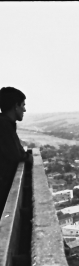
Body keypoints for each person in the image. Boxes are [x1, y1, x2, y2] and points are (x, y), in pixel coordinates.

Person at [0, 86, 33, 214]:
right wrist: (29, 158)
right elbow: (17, 154)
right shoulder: (4, 125)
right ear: (16, 106)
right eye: (23, 105)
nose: (24, 109)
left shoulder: (5, 123)